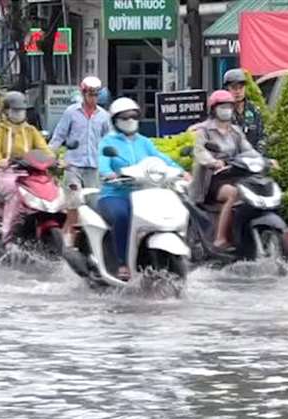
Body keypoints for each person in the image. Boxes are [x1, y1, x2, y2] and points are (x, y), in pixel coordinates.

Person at [98, 97, 185, 281]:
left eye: (134, 117)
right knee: (123, 216)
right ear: (115, 121)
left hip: (143, 194)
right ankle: (122, 262)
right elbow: (103, 163)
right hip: (115, 194)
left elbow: (161, 158)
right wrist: (109, 174)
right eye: (125, 117)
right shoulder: (108, 142)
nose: (130, 121)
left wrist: (181, 171)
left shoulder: (144, 142)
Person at [190, 90, 261, 252]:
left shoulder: (235, 131)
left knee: (251, 191)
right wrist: (213, 162)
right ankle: (220, 239)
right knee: (233, 194)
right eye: (222, 106)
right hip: (211, 180)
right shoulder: (204, 130)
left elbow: (248, 150)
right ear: (214, 109)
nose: (226, 110)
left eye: (229, 106)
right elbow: (200, 151)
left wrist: (263, 160)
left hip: (234, 175)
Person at [49, 76, 111, 246]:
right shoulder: (71, 112)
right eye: (90, 94)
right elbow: (59, 136)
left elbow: (109, 142)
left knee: (94, 211)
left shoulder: (104, 116)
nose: (93, 98)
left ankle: (89, 247)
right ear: (83, 94)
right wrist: (51, 157)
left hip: (94, 169)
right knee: (73, 211)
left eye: (96, 95)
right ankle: (65, 248)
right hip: (73, 167)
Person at [0, 91, 52, 250]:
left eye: (22, 110)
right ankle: (8, 238)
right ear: (6, 111)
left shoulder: (30, 130)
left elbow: (44, 149)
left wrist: (54, 159)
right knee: (15, 194)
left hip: (29, 172)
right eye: (15, 110)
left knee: (51, 188)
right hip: (7, 172)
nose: (19, 113)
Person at [223, 68, 267, 154]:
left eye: (241, 87)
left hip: (252, 161)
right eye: (234, 88)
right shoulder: (222, 112)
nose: (238, 91)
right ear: (227, 89)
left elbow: (262, 136)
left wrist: (259, 153)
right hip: (230, 161)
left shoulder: (254, 110)